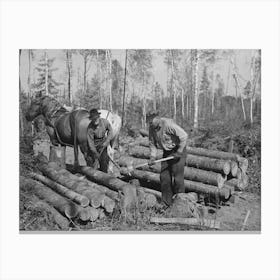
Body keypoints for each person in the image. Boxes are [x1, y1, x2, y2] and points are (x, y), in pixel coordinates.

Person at [147, 111, 188, 207]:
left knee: (178, 178)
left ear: (157, 118)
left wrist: (179, 152)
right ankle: (166, 203)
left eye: (151, 121)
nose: (150, 124)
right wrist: (153, 156)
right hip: (167, 152)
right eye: (148, 122)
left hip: (178, 150)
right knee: (164, 177)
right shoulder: (152, 128)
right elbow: (152, 143)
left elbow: (184, 136)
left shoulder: (168, 124)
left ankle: (181, 203)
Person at [87, 108, 113, 172]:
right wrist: (95, 152)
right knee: (92, 163)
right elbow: (90, 142)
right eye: (93, 119)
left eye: (96, 118)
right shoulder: (90, 128)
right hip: (94, 145)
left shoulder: (105, 122)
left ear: (98, 117)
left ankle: (104, 174)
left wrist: (107, 141)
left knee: (104, 160)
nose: (95, 120)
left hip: (103, 143)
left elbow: (110, 131)